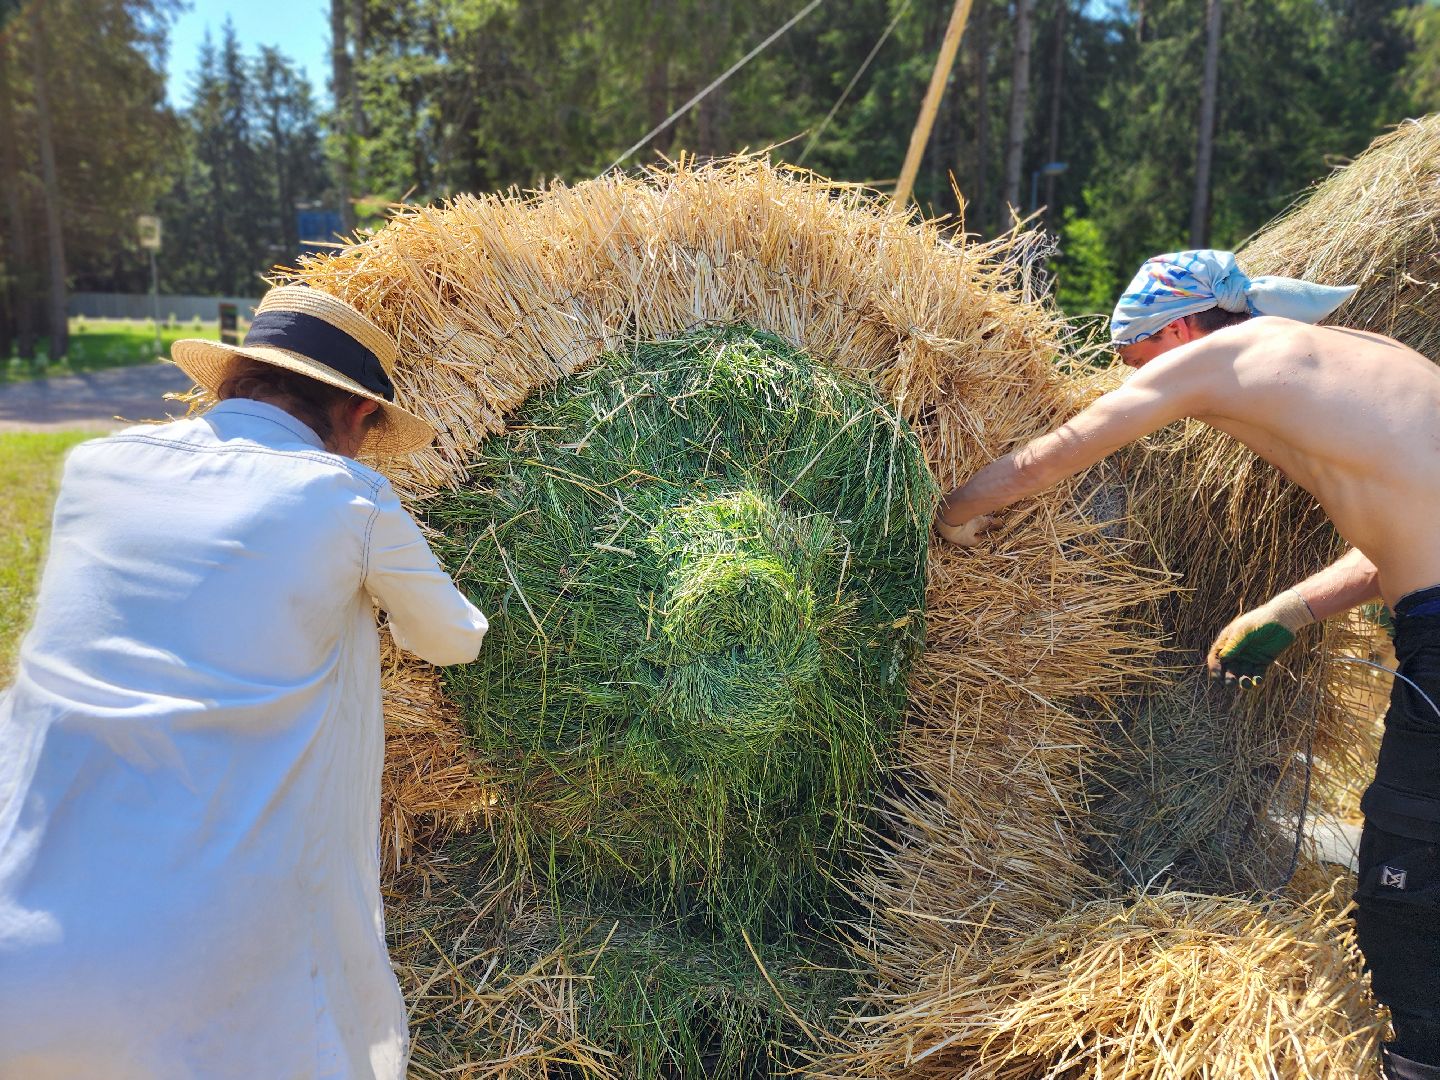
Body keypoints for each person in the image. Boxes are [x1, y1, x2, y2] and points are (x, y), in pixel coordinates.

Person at [935, 249, 1440, 1080]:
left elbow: (1054, 454)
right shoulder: (1372, 358)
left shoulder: (1217, 355)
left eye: (1132, 358)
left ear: (1175, 330)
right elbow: (1415, 526)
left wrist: (956, 512)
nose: (1132, 378)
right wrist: (1291, 609)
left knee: (1409, 873)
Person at [0, 284, 489, 1079]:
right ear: (360, 412)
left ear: (232, 379)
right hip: (214, 971)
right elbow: (452, 638)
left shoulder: (97, 465)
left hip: (20, 931)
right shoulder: (348, 496)